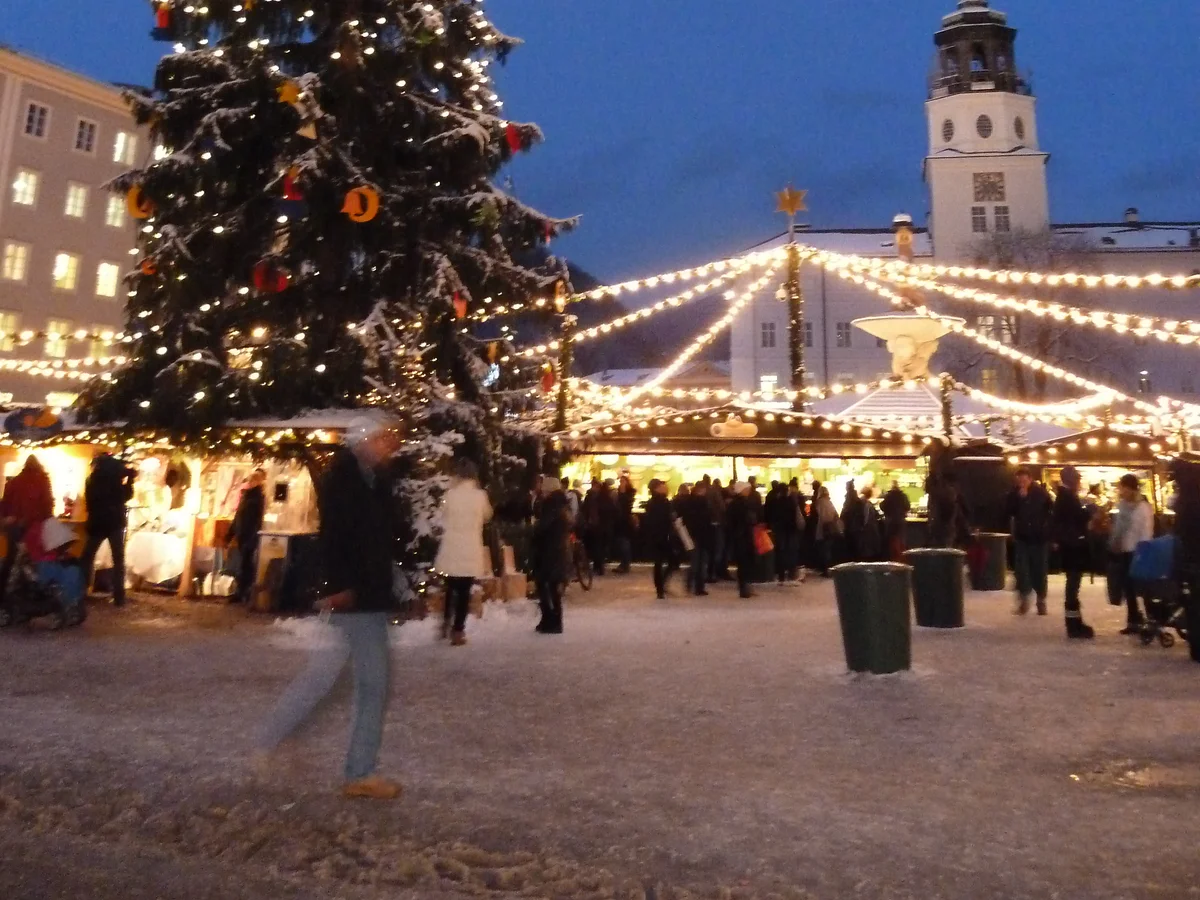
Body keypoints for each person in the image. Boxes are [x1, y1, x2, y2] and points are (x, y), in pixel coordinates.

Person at [257, 414, 402, 800]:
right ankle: (359, 772)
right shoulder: (347, 483)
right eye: (384, 437)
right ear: (364, 441)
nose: (391, 443)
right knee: (371, 685)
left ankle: (271, 740)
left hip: (365, 594)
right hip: (357, 597)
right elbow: (338, 540)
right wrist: (341, 587)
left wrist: (397, 588)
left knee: (324, 677)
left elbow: (378, 544)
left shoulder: (374, 482)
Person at [433, 458, 492, 646]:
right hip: (470, 547)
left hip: (451, 546)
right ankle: (458, 631)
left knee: (450, 586)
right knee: (465, 590)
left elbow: (442, 515)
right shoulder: (480, 496)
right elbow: (487, 516)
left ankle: (445, 621)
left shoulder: (450, 494)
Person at [81, 453, 135, 608]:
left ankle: (81, 590)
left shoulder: (92, 480)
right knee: (118, 559)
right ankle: (119, 596)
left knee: (87, 556)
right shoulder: (115, 481)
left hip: (97, 522)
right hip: (115, 522)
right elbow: (126, 496)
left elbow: (89, 500)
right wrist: (129, 481)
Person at [0, 455, 54, 603]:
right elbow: (47, 505)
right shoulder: (43, 480)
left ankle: (4, 592)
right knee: (33, 562)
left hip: (15, 527)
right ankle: (29, 597)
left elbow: (4, 505)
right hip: (34, 529)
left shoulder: (15, 481)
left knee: (11, 560)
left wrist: (7, 521)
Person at [1107, 472, 1155, 634]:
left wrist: (1143, 550)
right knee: (1128, 588)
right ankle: (1133, 619)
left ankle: (1152, 618)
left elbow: (1146, 531)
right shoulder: (1122, 506)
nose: (1121, 491)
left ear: (1132, 489)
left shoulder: (1143, 507)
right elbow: (1118, 528)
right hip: (1125, 551)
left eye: (1124, 488)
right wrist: (1114, 542)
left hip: (1139, 552)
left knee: (1144, 588)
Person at [1051, 466, 1095, 640]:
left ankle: (1074, 621)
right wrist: (1089, 511)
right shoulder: (1067, 498)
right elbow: (1076, 519)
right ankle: (1073, 624)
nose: (1079, 481)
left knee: (1073, 584)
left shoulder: (1065, 497)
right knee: (1073, 584)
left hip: (1070, 545)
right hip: (1073, 546)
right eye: (1077, 478)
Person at [1005, 467, 1053, 616]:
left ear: (1030, 479)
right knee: (1022, 571)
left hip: (1039, 538)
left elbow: (1049, 512)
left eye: (1024, 479)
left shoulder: (1040, 493)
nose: (1021, 483)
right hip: (1022, 538)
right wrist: (1019, 498)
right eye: (1019, 480)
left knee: (1039, 570)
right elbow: (1008, 511)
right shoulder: (1014, 494)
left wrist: (1048, 531)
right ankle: (1024, 601)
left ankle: (1041, 601)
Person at [530, 477, 570, 634]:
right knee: (551, 587)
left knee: (547, 586)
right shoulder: (560, 504)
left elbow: (543, 527)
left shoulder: (552, 505)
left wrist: (534, 530)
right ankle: (550, 620)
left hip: (550, 551)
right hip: (556, 551)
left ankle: (552, 621)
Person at [227, 468, 267, 605]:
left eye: (252, 480)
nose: (249, 482)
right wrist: (231, 532)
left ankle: (244, 592)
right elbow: (238, 516)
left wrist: (253, 535)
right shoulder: (247, 496)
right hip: (243, 534)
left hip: (249, 535)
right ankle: (242, 591)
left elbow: (256, 519)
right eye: (249, 480)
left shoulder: (257, 498)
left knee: (246, 564)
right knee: (243, 563)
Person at [642, 479, 676, 599]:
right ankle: (660, 587)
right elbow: (664, 519)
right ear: (657, 488)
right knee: (668, 561)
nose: (665, 487)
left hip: (656, 536)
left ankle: (660, 587)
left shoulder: (654, 502)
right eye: (662, 485)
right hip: (662, 536)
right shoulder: (661, 502)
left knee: (659, 562)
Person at [681, 480, 714, 596]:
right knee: (700, 562)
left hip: (693, 535)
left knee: (696, 562)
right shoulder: (703, 503)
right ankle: (698, 586)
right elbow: (705, 519)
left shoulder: (689, 502)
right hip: (701, 535)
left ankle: (692, 583)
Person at [726, 482, 757, 599]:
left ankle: (745, 587)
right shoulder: (740, 503)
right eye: (747, 489)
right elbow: (742, 520)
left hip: (741, 536)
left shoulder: (736, 503)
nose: (749, 491)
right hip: (742, 537)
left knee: (744, 563)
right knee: (744, 563)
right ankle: (744, 588)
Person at [764, 481, 798, 584]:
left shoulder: (775, 501)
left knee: (780, 550)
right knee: (790, 550)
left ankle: (781, 574)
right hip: (790, 528)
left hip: (778, 528)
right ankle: (791, 572)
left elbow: (769, 513)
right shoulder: (791, 501)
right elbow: (794, 515)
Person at [880, 480, 912, 562]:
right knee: (901, 540)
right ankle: (901, 558)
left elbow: (882, 506)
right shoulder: (903, 496)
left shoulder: (888, 496)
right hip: (901, 520)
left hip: (890, 520)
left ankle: (891, 558)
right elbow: (908, 506)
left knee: (890, 541)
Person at [812, 485, 840, 576]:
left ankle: (826, 569)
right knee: (828, 549)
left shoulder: (819, 502)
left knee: (824, 550)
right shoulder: (829, 502)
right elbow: (836, 515)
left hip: (824, 528)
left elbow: (820, 516)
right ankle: (829, 569)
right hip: (831, 528)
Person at [614, 474, 637, 574]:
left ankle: (625, 564)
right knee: (621, 542)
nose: (621, 483)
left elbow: (625, 505)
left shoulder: (629, 493)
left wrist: (622, 494)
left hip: (625, 521)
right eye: (620, 481)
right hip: (619, 521)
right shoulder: (619, 492)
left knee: (625, 542)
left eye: (623, 481)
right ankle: (623, 563)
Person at [708, 478, 730, 581]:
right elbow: (722, 508)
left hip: (711, 524)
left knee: (713, 550)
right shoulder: (716, 493)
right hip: (718, 523)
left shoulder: (707, 493)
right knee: (719, 549)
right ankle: (717, 572)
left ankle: (712, 572)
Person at [857, 486, 884, 562]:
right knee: (870, 549)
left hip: (864, 531)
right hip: (869, 530)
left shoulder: (860, 502)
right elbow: (868, 518)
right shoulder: (867, 504)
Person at [840, 480, 865, 562]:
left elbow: (845, 512)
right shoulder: (857, 499)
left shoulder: (849, 498)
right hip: (857, 527)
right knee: (856, 548)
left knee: (851, 548)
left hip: (850, 526)